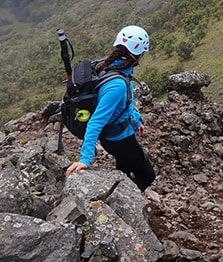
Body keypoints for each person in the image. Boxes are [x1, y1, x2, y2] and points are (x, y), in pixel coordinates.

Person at [64, 25, 156, 191]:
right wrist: (85, 159)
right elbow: (96, 122)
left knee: (124, 167)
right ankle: (127, 198)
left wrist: (135, 120)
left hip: (115, 136)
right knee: (147, 176)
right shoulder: (117, 85)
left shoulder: (107, 66)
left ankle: (121, 188)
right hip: (120, 140)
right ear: (139, 54)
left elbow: (124, 104)